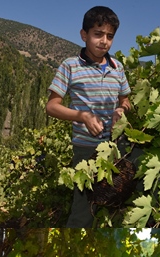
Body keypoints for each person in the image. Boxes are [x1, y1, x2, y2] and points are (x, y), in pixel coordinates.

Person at [47, 7, 131, 227]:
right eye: (97, 34)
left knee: (124, 195)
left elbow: (125, 100)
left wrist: (120, 111)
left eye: (109, 36)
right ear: (84, 35)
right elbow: (52, 106)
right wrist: (82, 116)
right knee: (82, 211)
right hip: (85, 150)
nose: (104, 41)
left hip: (116, 147)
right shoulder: (70, 66)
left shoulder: (117, 68)